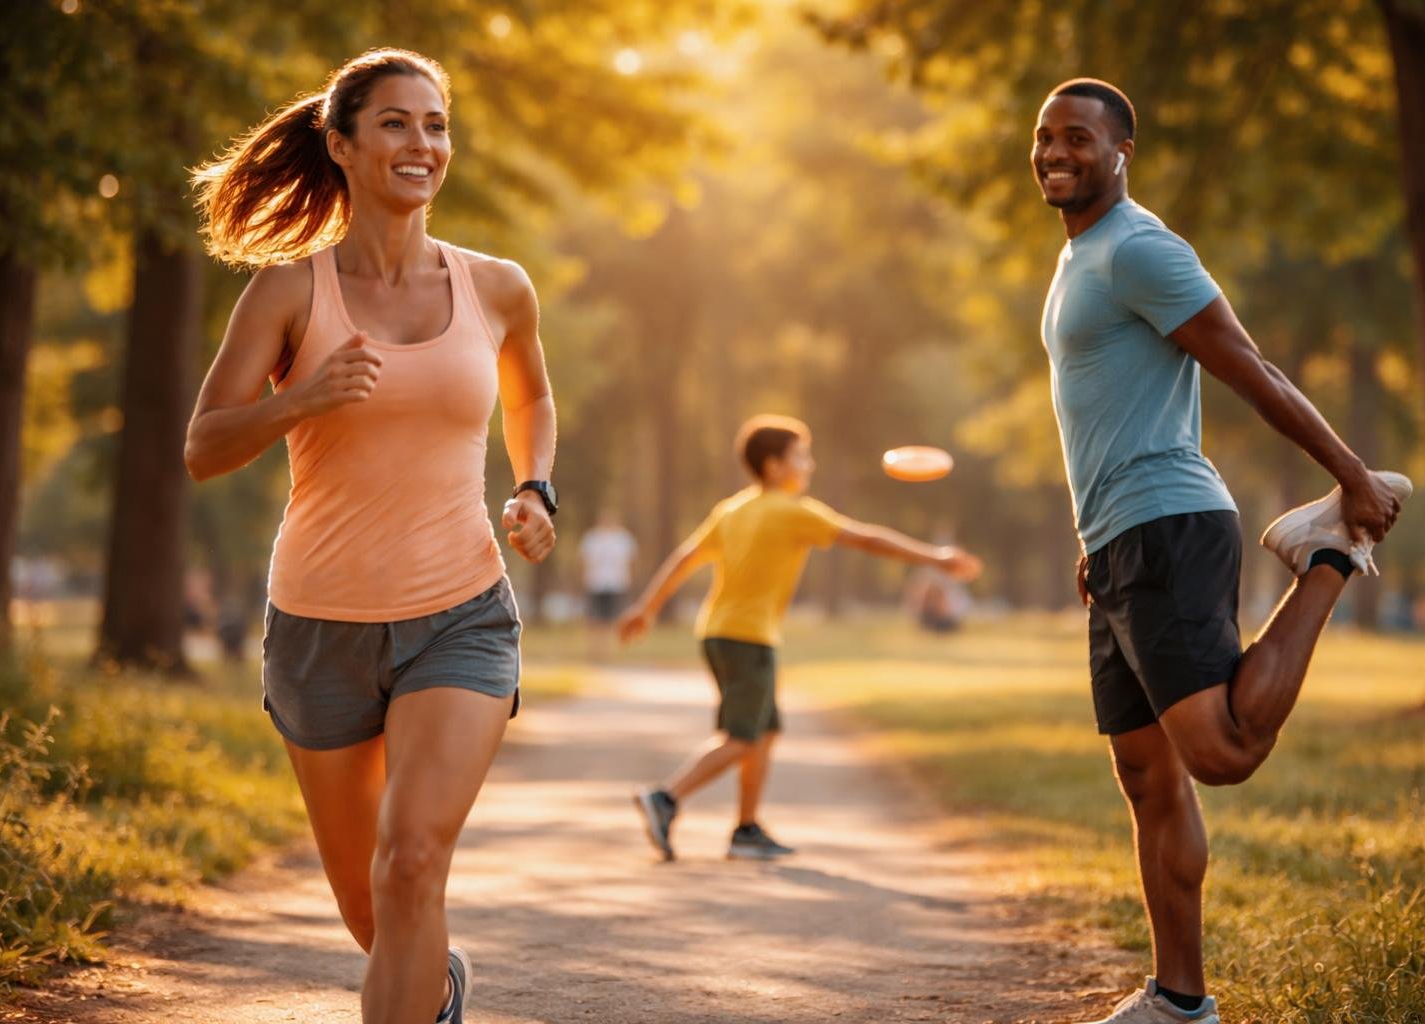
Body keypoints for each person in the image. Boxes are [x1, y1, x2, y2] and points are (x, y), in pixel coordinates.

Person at [184, 48, 558, 1024]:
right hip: (319, 628)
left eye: (435, 125)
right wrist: (299, 399)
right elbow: (203, 447)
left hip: (461, 615)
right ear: (342, 144)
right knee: (372, 907)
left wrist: (535, 488)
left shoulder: (497, 287)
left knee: (411, 863)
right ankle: (436, 989)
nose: (421, 143)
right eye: (395, 122)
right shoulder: (286, 293)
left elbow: (531, 395)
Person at [1031, 79, 1410, 1024]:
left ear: (1122, 151)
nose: (1055, 152)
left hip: (1168, 523)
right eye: (1044, 137)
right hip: (1119, 540)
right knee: (1146, 776)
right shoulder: (1080, 253)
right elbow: (1105, 408)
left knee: (1222, 752)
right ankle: (1179, 1001)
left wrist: (1351, 478)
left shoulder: (1140, 248)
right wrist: (1094, 541)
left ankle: (1329, 552)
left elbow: (1251, 366)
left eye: (1077, 137)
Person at [618, 415, 982, 861]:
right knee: (743, 737)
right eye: (802, 457)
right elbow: (867, 539)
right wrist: (936, 558)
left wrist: (647, 607)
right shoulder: (793, 511)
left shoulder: (732, 509)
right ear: (774, 466)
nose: (810, 465)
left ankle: (746, 829)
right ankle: (666, 798)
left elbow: (685, 557)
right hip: (746, 637)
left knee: (764, 732)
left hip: (721, 632)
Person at [578, 509, 637, 660]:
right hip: (596, 583)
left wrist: (629, 578)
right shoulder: (592, 538)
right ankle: (594, 649)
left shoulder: (623, 538)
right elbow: (584, 561)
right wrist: (585, 578)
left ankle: (610, 650)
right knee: (594, 618)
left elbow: (631, 560)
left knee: (614, 619)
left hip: (617, 583)